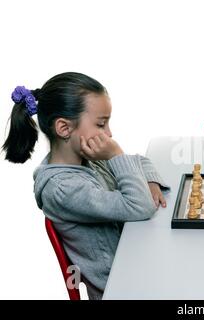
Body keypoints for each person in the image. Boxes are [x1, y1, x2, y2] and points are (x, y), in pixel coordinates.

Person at [2, 72, 169, 299]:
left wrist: (148, 180)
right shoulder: (63, 189)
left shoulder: (88, 158)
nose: (109, 134)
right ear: (64, 128)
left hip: (134, 259)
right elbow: (140, 207)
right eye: (101, 124)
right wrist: (116, 154)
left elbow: (139, 161)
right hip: (120, 287)